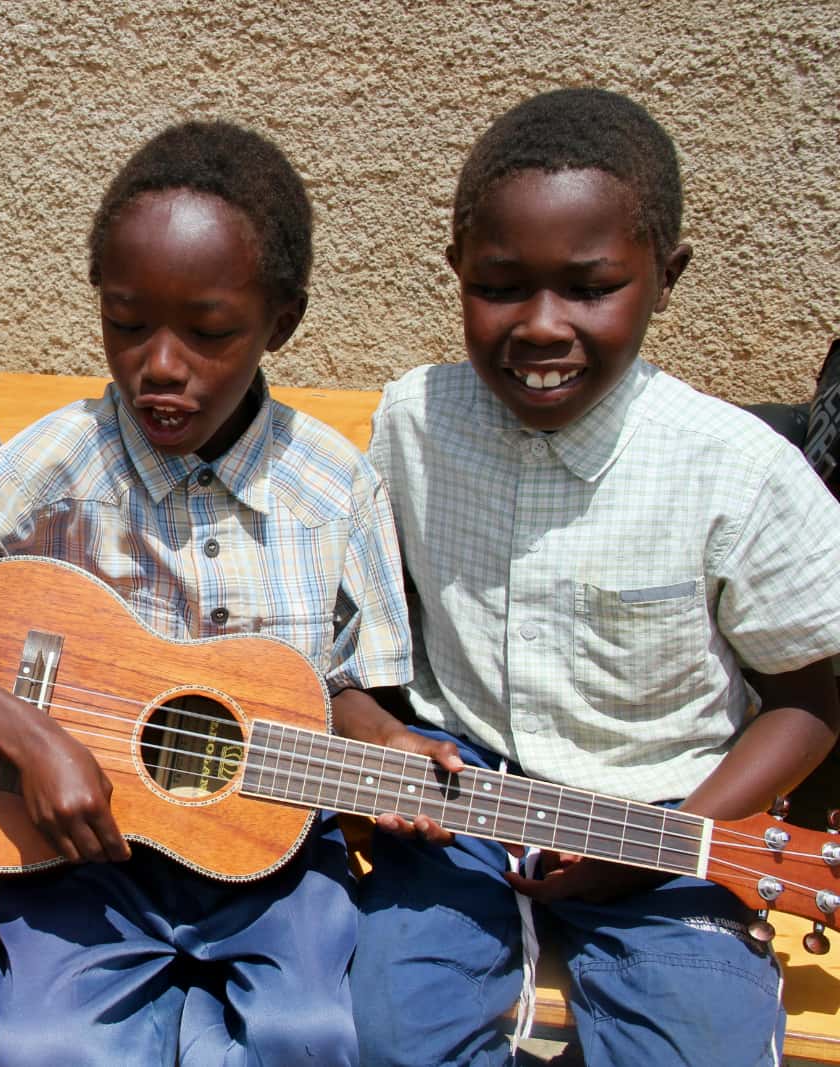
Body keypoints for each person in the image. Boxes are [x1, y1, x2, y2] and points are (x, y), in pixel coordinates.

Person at [0, 120, 412, 1066]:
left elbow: (355, 693)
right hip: (83, 861)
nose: (161, 364)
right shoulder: (61, 458)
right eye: (127, 322)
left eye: (210, 331)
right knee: (51, 1052)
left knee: (307, 1037)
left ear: (284, 320)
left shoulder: (335, 486)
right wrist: (34, 740)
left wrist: (392, 749)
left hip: (268, 862)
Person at [345, 88, 840, 1066]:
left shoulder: (736, 471)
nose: (540, 324)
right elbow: (361, 627)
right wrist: (378, 734)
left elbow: (807, 696)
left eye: (589, 286)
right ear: (455, 273)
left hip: (669, 812)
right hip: (461, 799)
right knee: (378, 1036)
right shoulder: (413, 420)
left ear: (665, 278)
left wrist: (670, 837)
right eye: (499, 284)